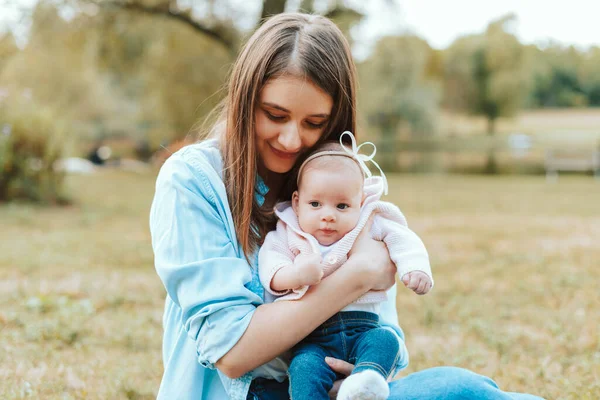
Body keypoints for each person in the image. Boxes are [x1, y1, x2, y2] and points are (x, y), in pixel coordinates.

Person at [149, 12, 544, 400]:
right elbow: (231, 353)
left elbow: (382, 331)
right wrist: (359, 273)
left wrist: (363, 371)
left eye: (314, 122)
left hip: (335, 391)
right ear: (244, 99)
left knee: (464, 389)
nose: (290, 140)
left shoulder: (339, 184)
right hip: (244, 393)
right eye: (275, 115)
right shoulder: (193, 180)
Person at [257, 133, 433, 400]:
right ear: (296, 202)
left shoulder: (368, 221)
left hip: (363, 327)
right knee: (303, 368)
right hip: (313, 335)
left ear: (360, 203)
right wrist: (296, 274)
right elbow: (271, 270)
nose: (328, 215)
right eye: (315, 204)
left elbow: (403, 239)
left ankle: (363, 385)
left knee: (387, 342)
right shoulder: (287, 232)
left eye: (342, 206)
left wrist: (415, 267)